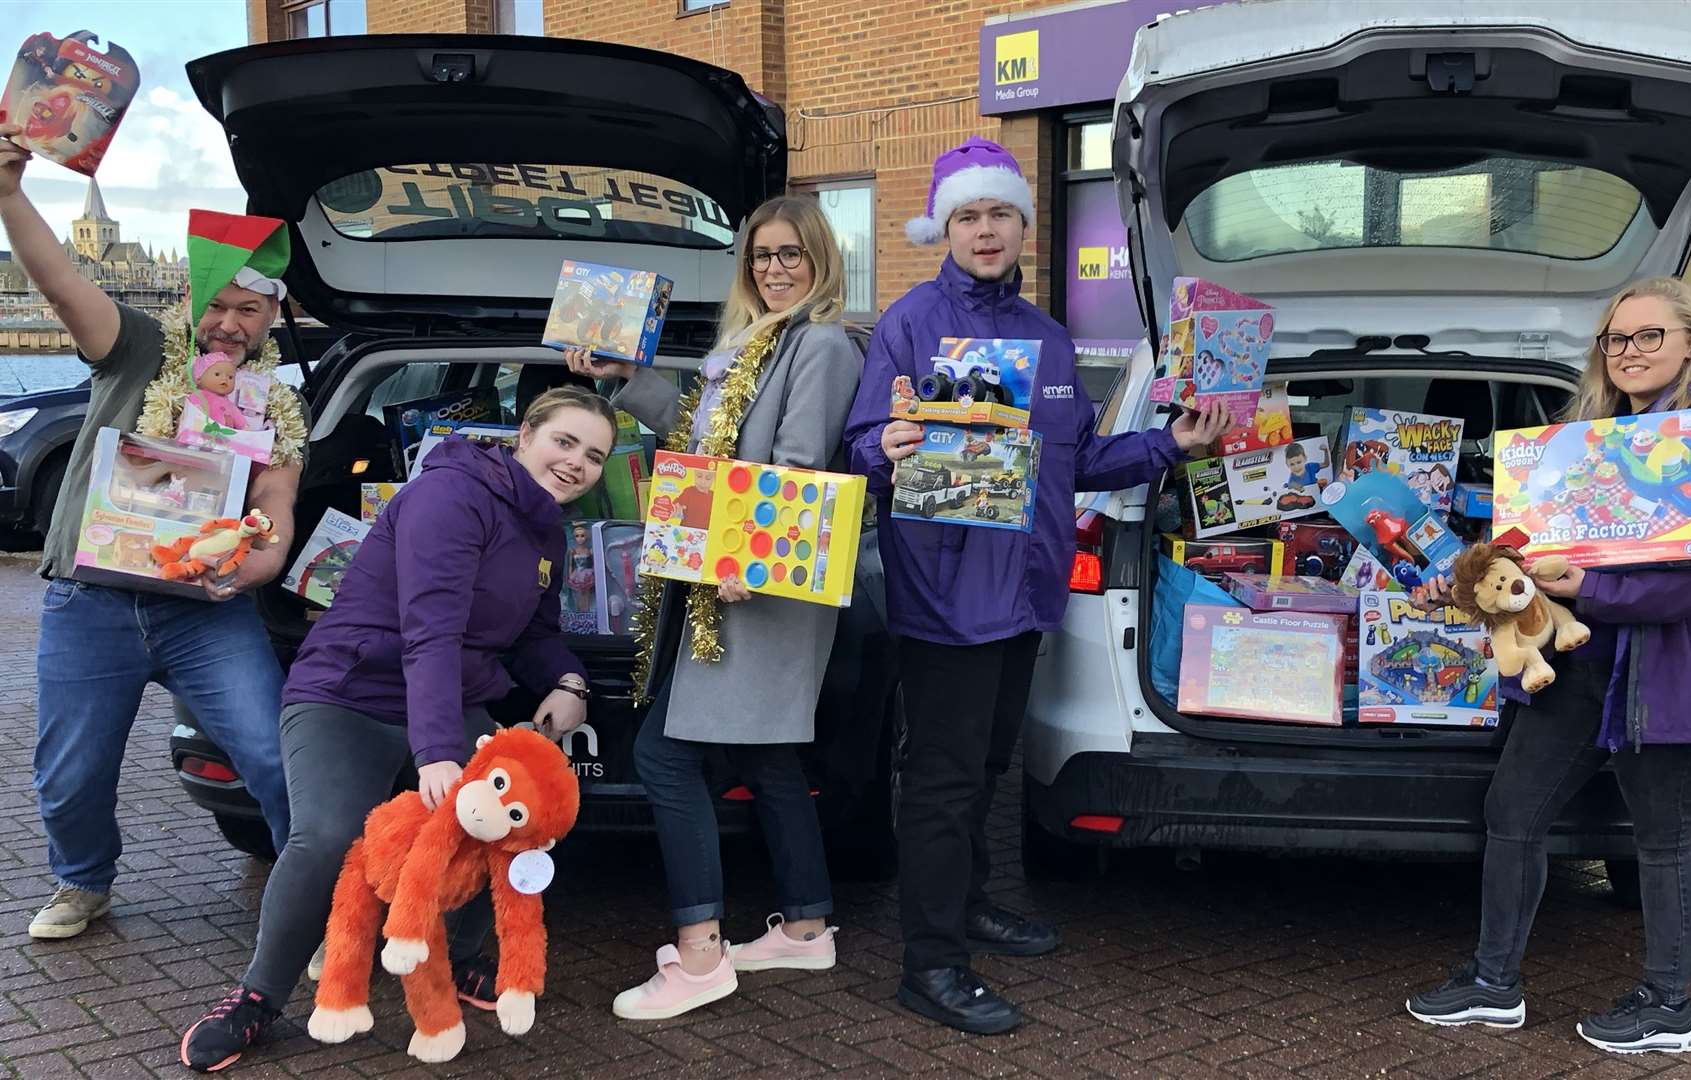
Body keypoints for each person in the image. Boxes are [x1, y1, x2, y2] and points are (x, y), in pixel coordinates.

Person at [842, 136, 1231, 1035]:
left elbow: (1084, 460)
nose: (986, 230)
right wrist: (886, 448)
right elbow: (862, 444)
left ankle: (970, 904)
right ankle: (929, 963)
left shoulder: (1049, 340)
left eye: (1000, 214)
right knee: (940, 781)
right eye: (969, 216)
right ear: (947, 228)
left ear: (1024, 225)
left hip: (1025, 596)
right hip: (943, 598)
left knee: (986, 768)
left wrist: (1175, 445)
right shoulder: (909, 323)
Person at [178, 387, 613, 1071]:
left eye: (594, 456)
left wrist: (568, 682)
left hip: (448, 695)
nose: (576, 463)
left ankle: (464, 960)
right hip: (350, 692)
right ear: (523, 435)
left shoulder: (546, 530)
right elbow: (431, 627)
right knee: (324, 836)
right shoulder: (452, 495)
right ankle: (257, 998)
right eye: (565, 441)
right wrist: (437, 751)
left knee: (494, 824)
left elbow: (534, 635)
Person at [1404, 276, 1691, 1055]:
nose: (1629, 351)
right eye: (1616, 338)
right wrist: (1483, 578)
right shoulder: (1588, 437)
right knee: (1513, 811)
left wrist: (1592, 588)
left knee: (1664, 839)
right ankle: (1492, 983)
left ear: (1690, 342)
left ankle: (1669, 1006)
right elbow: (1533, 557)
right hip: (1579, 664)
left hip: (1668, 671)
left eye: (1649, 336)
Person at [0, 107, 307, 941]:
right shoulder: (136, 348)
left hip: (205, 606)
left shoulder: (278, 401)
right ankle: (83, 881)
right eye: (219, 304)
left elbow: (276, 502)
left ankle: (313, 895)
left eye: (252, 311)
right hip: (90, 601)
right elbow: (61, 280)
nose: (231, 324)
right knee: (71, 773)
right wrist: (7, 189)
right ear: (194, 298)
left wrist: (260, 563)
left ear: (273, 319)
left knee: (274, 755)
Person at [566, 195, 864, 1021]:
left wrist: (749, 562)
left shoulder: (820, 342)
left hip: (758, 585)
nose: (775, 268)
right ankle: (806, 928)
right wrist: (626, 379)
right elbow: (701, 441)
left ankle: (700, 957)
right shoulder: (747, 345)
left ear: (819, 261)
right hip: (727, 576)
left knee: (665, 757)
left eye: (790, 255)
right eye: (762, 255)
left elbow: (797, 470)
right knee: (769, 760)